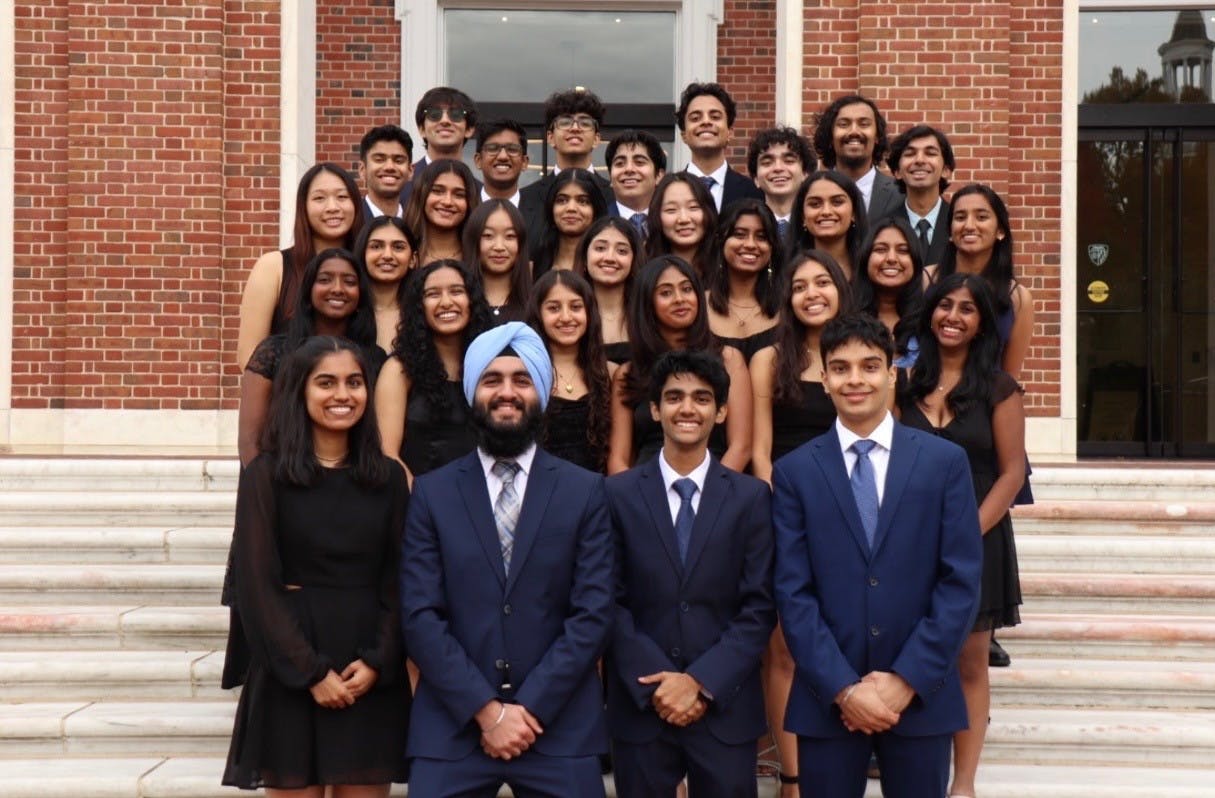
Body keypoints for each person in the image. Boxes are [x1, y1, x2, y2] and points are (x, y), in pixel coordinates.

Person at [772, 313, 982, 798]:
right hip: (828, 701)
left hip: (920, 697)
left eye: (869, 366)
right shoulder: (795, 473)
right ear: (824, 380)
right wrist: (845, 688)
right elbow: (792, 591)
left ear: (892, 374)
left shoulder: (944, 463)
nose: (855, 379)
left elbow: (960, 581)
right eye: (840, 368)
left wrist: (905, 680)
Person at [401, 322, 614, 798]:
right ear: (473, 391)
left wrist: (528, 710)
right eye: (492, 379)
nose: (507, 392)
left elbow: (593, 614)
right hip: (453, 728)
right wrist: (487, 712)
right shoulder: (432, 493)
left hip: (559, 728)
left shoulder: (585, 491)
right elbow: (420, 616)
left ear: (541, 391)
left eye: (521, 380)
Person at [223, 335, 410, 794]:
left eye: (354, 382)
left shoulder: (387, 478)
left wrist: (378, 661)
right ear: (299, 391)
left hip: (367, 670)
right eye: (326, 383)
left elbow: (402, 580)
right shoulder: (266, 476)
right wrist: (310, 672)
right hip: (291, 670)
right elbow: (258, 586)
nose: (343, 395)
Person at [605, 349, 775, 798]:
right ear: (655, 408)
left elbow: (758, 606)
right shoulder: (616, 495)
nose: (687, 408)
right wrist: (661, 683)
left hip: (724, 707)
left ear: (721, 412)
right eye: (674, 397)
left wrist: (700, 683)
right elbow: (606, 599)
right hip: (642, 705)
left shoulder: (751, 498)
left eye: (702, 398)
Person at [897, 273, 1025, 798]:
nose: (953, 316)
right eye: (944, 305)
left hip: (978, 536)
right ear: (929, 314)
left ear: (980, 324)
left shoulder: (1000, 388)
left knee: (970, 663)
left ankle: (964, 783)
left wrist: (963, 534)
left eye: (967, 309)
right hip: (908, 540)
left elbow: (1012, 472)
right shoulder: (902, 383)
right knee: (915, 653)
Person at [748, 249, 852, 796]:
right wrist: (783, 501)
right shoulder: (769, 359)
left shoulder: (857, 358)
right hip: (785, 512)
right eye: (800, 285)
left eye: (823, 283)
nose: (812, 293)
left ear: (840, 288)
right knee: (784, 646)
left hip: (851, 517)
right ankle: (791, 776)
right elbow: (760, 452)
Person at [607, 256, 752, 474]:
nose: (679, 299)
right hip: (645, 492)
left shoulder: (729, 360)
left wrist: (707, 496)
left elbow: (741, 447)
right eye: (665, 292)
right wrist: (636, 501)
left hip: (716, 487)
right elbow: (618, 459)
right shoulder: (628, 373)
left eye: (686, 289)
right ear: (647, 303)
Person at [238, 248, 381, 467]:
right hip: (280, 482)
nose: (337, 289)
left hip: (353, 484)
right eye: (325, 280)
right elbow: (250, 441)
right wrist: (260, 491)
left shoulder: (374, 359)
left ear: (361, 295)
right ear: (308, 292)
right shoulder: (273, 352)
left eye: (350, 282)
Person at [237, 163, 367, 370]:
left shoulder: (367, 269)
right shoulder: (273, 267)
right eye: (319, 198)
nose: (332, 207)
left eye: (342, 197)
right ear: (303, 207)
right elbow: (248, 357)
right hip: (286, 397)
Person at [375, 259, 492, 482]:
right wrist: (424, 505)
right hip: (417, 502)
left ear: (472, 301)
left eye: (456, 291)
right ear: (419, 307)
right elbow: (388, 454)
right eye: (433, 294)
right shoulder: (398, 369)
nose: (446, 302)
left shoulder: (492, 364)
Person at [934, 184, 1034, 383]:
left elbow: (1009, 378)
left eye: (981, 217)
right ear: (949, 231)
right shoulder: (926, 281)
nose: (969, 226)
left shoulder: (1018, 298)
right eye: (960, 217)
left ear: (1000, 231)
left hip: (985, 407)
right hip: (926, 404)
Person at [528, 270, 614, 472]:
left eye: (576, 307)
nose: (566, 317)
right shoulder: (525, 374)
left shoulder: (610, 373)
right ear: (538, 314)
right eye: (554, 308)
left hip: (597, 492)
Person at [520, 88, 614, 236]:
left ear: (597, 139)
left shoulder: (614, 195)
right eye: (565, 122)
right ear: (550, 138)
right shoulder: (526, 199)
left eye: (585, 123)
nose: (575, 128)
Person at [706, 199, 785, 364]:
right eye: (739, 235)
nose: (750, 244)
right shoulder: (697, 305)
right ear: (721, 241)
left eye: (761, 237)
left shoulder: (788, 306)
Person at [675, 82, 764, 212]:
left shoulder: (754, 192)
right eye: (695, 118)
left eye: (715, 117)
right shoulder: (666, 192)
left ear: (730, 132)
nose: (706, 122)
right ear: (684, 135)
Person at [812, 94, 902, 220]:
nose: (854, 131)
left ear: (877, 136)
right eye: (843, 124)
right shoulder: (810, 193)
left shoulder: (901, 194)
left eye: (864, 124)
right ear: (830, 136)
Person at [852, 217, 926, 365]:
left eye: (903, 250)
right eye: (880, 249)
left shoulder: (931, 319)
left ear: (915, 261)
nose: (891, 258)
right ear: (866, 258)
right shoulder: (844, 314)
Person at [575, 216, 642, 365]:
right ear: (585, 258)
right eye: (600, 248)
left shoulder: (648, 314)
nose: (610, 258)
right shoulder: (569, 315)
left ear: (634, 260)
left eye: (622, 251)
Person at [886, 124, 956, 268]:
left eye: (930, 153)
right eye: (910, 154)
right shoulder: (882, 226)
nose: (919, 160)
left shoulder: (959, 224)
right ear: (897, 171)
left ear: (946, 170)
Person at [401, 86, 479, 207]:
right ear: (422, 129)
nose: (445, 121)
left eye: (456, 114)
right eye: (434, 114)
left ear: (469, 129)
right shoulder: (402, 184)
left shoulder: (480, 192)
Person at [354, 215, 419, 353]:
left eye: (398, 247)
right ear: (362, 254)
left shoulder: (423, 313)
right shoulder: (348, 312)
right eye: (376, 246)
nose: (387, 255)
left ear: (413, 259)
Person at [787, 171, 867, 280]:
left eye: (837, 202)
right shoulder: (785, 270)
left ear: (854, 213)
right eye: (815, 204)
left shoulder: (870, 267)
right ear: (803, 216)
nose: (826, 211)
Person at [462, 199, 532, 323]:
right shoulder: (459, 304)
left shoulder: (536, 307)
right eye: (488, 236)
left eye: (510, 236)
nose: (499, 247)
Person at [403, 159, 481, 265]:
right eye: (437, 191)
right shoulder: (402, 255)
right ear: (422, 195)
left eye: (459, 195)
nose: (447, 202)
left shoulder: (481, 257)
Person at [532, 168, 608, 277]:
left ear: (596, 209)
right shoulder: (535, 262)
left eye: (583, 201)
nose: (571, 208)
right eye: (562, 200)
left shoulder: (606, 261)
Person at [746, 127, 817, 239]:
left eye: (789, 161)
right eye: (767, 162)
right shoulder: (745, 228)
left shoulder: (817, 225)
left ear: (805, 173)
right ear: (756, 179)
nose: (778, 168)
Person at [645, 173, 719, 280]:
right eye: (671, 210)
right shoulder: (642, 267)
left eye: (693, 207)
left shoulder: (726, 269)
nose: (684, 219)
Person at [606, 130, 667, 237]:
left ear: (659, 175)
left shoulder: (671, 223)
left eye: (639, 162)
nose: (629, 169)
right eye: (620, 163)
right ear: (610, 176)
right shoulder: (595, 223)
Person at [359, 123, 414, 218]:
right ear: (362, 170)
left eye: (398, 160)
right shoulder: (350, 224)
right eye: (379, 160)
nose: (389, 167)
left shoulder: (417, 227)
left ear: (410, 171)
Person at [474, 118, 530, 206]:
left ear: (524, 162)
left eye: (512, 149)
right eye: (493, 148)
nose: (503, 156)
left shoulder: (544, 213)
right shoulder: (463, 210)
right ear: (478, 160)